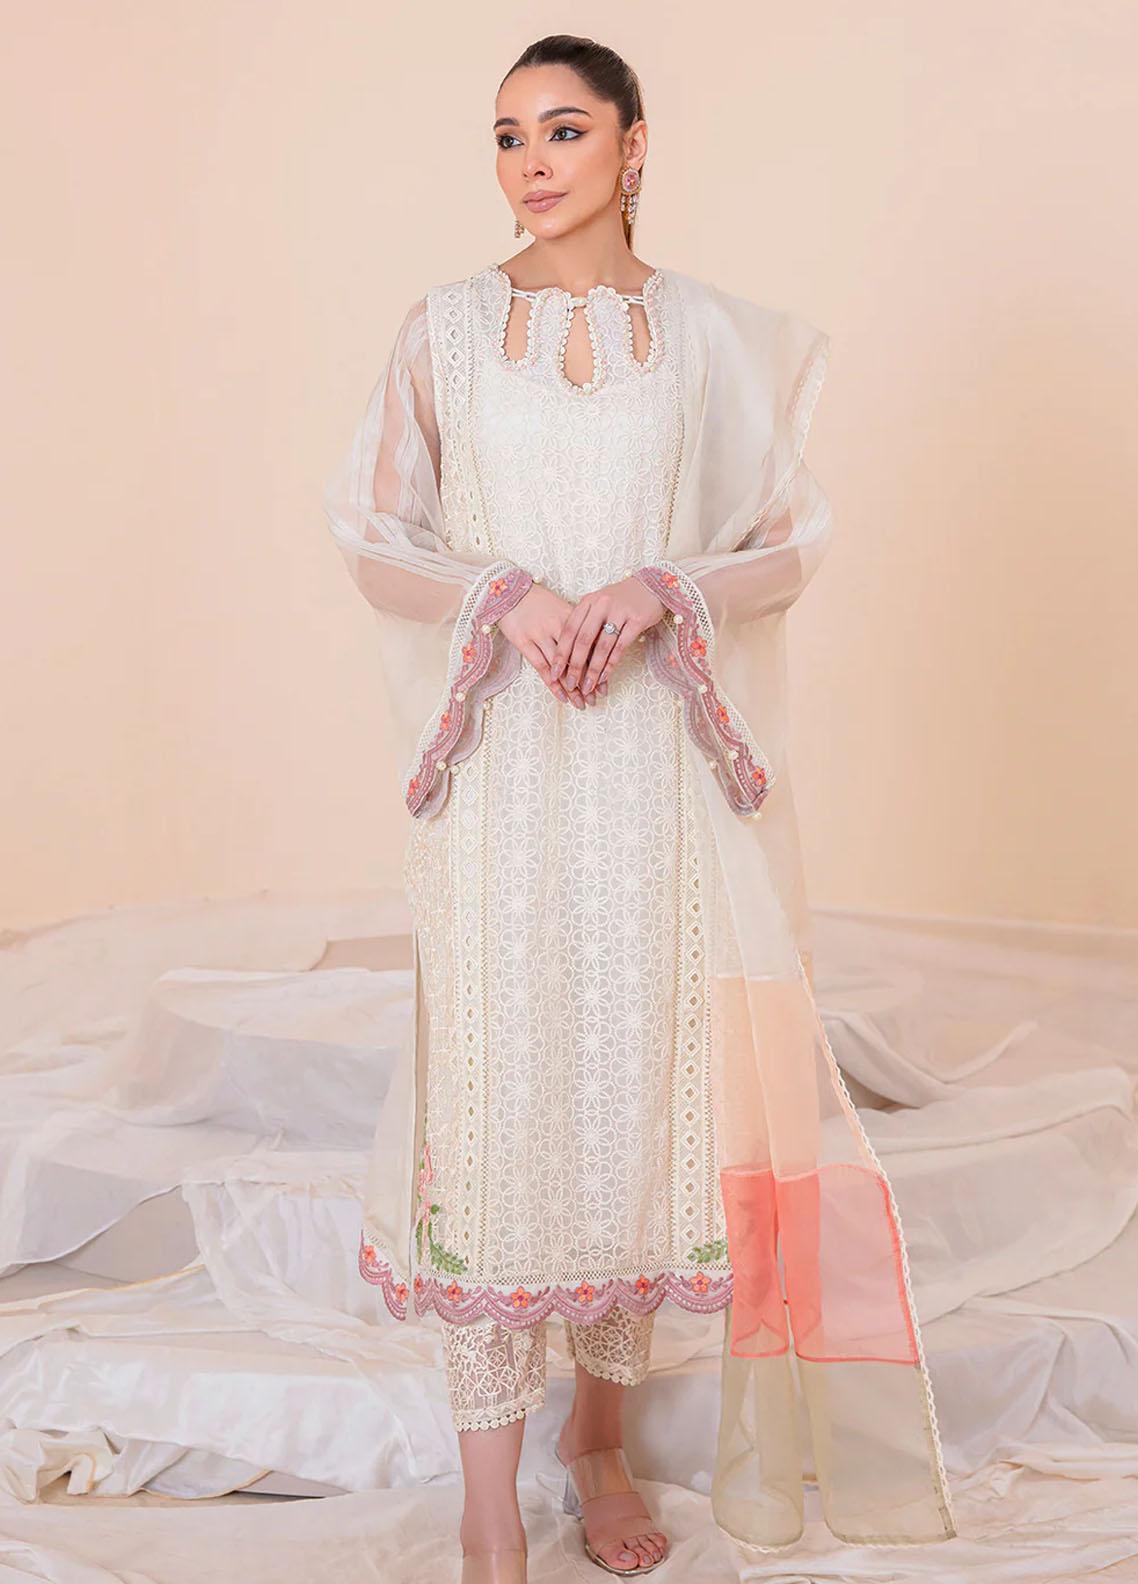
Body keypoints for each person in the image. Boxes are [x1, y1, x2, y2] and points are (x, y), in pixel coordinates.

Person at [324, 32, 957, 1583]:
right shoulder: (445, 330)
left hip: (650, 771)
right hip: (505, 769)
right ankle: (488, 1510)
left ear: (633, 143)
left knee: (630, 1096)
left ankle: (597, 1446)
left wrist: (660, 588)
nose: (531, 162)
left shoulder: (707, 339)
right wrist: (510, 593)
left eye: (563, 129)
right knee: (499, 1105)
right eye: (506, 136)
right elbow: (372, 532)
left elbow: (789, 536)